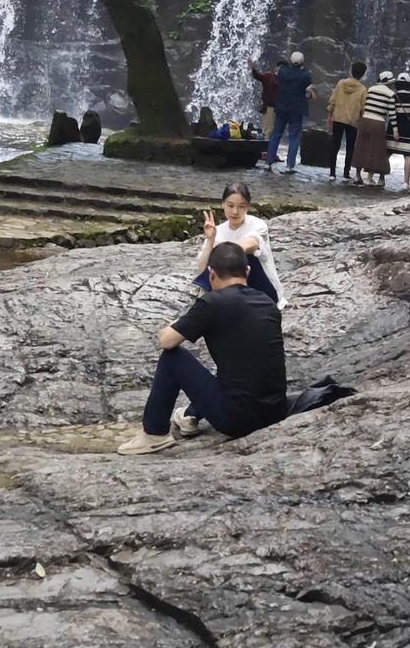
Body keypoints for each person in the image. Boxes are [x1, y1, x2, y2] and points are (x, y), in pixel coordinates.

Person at [119, 241, 288, 454]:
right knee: (242, 362)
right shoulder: (268, 302)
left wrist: (172, 326)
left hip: (237, 420)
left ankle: (154, 434)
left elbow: (166, 341)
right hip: (275, 413)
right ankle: (190, 414)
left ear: (211, 274)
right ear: (247, 271)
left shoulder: (213, 302)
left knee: (173, 358)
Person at [191, 181, 285, 307]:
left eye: (241, 206)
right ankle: (202, 309)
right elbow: (202, 269)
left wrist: (219, 252)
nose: (235, 212)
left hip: (262, 290)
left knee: (243, 257)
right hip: (230, 291)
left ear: (248, 207)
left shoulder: (258, 225)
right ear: (223, 204)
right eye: (230, 205)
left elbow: (250, 243)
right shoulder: (218, 231)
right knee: (212, 268)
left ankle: (207, 306)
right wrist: (211, 241)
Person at [265, 49, 312, 171]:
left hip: (281, 108)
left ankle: (268, 162)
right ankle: (289, 165)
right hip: (296, 110)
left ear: (290, 61)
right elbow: (309, 89)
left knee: (276, 135)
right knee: (294, 137)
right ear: (302, 62)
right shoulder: (306, 75)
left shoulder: (282, 72)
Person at [326, 59, 368, 181]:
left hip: (338, 118)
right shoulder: (362, 89)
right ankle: (345, 173)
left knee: (335, 145)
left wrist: (330, 115)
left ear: (351, 71)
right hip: (353, 121)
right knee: (350, 147)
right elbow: (364, 107)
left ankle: (332, 173)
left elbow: (332, 101)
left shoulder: (340, 83)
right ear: (363, 74)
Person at [354, 71, 395, 186]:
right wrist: (395, 130)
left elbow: (365, 105)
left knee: (361, 148)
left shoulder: (371, 89)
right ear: (390, 83)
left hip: (365, 120)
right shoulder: (391, 94)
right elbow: (392, 114)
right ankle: (369, 178)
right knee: (374, 151)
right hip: (378, 123)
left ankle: (357, 176)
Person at [389, 74, 410, 188]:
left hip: (393, 129)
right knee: (407, 156)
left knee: (387, 153)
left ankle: (381, 179)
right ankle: (406, 182)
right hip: (407, 131)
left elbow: (390, 112)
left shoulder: (393, 96)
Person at [251, 58, 279, 137]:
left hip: (278, 108)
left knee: (270, 129)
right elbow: (258, 76)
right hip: (269, 106)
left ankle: (267, 143)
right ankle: (265, 144)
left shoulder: (283, 80)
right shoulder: (269, 76)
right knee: (268, 129)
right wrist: (253, 69)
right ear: (277, 68)